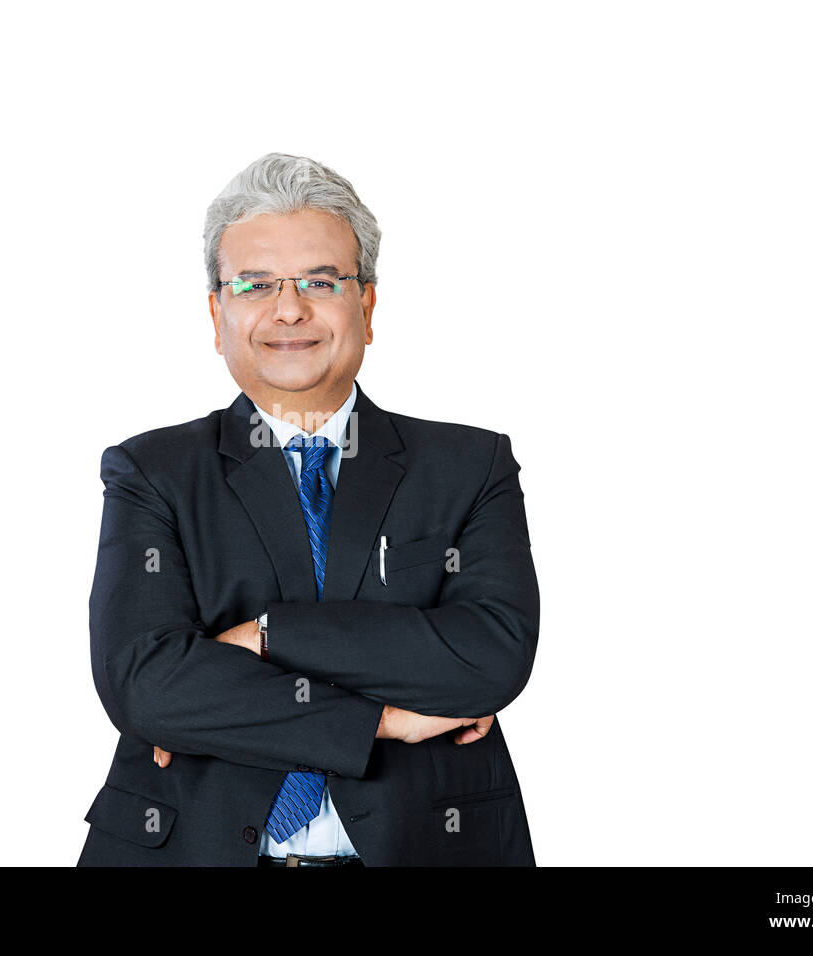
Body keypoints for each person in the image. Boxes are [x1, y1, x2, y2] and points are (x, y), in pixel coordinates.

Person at [76, 152, 540, 866]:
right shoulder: (153, 472)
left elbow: (490, 659)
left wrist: (263, 636)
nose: (288, 308)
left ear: (368, 304)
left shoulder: (468, 467)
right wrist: (383, 719)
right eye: (255, 284)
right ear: (217, 312)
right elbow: (146, 689)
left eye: (320, 281)